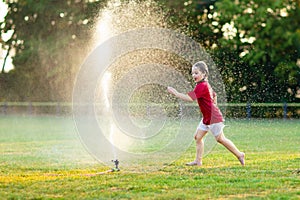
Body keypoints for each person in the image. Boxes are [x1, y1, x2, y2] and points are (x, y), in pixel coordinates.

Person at [167, 61, 245, 166]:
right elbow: (214, 95)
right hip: (207, 118)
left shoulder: (202, 86)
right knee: (198, 137)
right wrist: (213, 107)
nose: (193, 75)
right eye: (192, 73)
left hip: (213, 118)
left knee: (220, 139)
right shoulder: (205, 85)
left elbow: (190, 98)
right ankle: (198, 161)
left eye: (196, 73)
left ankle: (240, 154)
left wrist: (175, 93)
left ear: (204, 74)